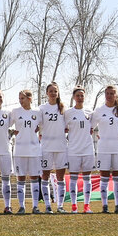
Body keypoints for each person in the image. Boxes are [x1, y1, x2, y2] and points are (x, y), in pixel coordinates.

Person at [94, 85, 118, 213]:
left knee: (117, 177)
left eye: (112, 93)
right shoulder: (99, 110)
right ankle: (105, 206)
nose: (109, 96)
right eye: (107, 93)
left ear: (116, 95)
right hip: (103, 148)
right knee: (104, 177)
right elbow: (91, 126)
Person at [10, 90, 42, 214]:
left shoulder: (38, 112)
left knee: (34, 178)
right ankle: (21, 206)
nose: (20, 101)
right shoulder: (15, 112)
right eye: (19, 98)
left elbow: (43, 125)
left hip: (34, 150)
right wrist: (12, 132)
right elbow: (7, 124)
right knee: (20, 178)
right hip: (19, 150)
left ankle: (35, 206)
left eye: (22, 98)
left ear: (29, 99)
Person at [39, 83, 69, 214]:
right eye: (50, 91)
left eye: (55, 91)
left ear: (58, 93)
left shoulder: (63, 108)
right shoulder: (41, 108)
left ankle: (60, 206)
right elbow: (37, 125)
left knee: (60, 177)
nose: (53, 93)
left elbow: (68, 126)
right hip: (46, 147)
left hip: (61, 147)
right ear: (46, 93)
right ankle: (47, 205)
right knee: (45, 176)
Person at [65, 87, 95, 214]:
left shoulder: (90, 112)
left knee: (87, 178)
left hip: (88, 149)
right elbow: (63, 128)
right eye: (77, 95)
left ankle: (86, 206)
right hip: (73, 151)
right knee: (73, 178)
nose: (80, 98)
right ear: (73, 97)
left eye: (82, 95)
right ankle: (74, 206)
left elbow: (92, 127)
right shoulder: (68, 113)